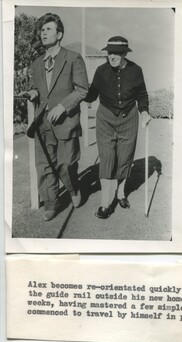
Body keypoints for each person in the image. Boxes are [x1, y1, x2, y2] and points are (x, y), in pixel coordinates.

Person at [21, 13, 89, 221]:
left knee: (66, 163)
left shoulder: (73, 58)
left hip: (65, 121)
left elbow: (82, 90)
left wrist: (62, 106)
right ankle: (51, 202)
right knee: (45, 164)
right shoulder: (37, 63)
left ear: (59, 35)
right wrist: (33, 93)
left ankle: (73, 188)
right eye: (42, 30)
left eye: (48, 29)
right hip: (43, 122)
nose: (43, 32)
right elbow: (39, 89)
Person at [85, 36, 151, 219]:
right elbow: (91, 95)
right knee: (106, 158)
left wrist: (144, 112)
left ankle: (121, 193)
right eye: (109, 52)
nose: (111, 56)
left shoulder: (136, 71)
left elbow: (142, 95)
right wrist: (80, 91)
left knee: (124, 158)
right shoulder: (101, 71)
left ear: (124, 54)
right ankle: (105, 203)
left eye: (116, 53)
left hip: (129, 118)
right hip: (105, 117)